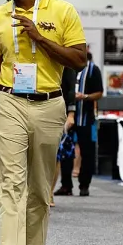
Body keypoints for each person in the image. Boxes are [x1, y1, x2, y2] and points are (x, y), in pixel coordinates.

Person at [0, 0, 87, 245]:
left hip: (49, 104)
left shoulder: (62, 10)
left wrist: (39, 38)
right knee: (11, 187)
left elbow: (78, 60)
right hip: (10, 102)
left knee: (40, 190)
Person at [56, 53, 103, 197]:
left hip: (85, 117)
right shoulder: (66, 67)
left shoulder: (93, 70)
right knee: (65, 151)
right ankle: (66, 185)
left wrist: (86, 97)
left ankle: (84, 185)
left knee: (87, 152)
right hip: (66, 116)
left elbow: (99, 92)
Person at [50, 67, 77, 206]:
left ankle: (49, 192)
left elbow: (71, 87)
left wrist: (71, 113)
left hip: (58, 109)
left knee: (55, 155)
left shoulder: (64, 57)